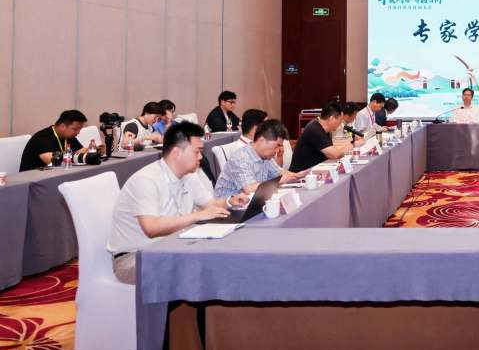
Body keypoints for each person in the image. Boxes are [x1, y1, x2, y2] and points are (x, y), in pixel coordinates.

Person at [106, 122, 247, 284]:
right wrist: (197, 216)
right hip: (134, 258)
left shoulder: (189, 175)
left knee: (219, 254)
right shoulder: (146, 180)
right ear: (177, 152)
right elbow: (151, 228)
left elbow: (210, 205)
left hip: (172, 245)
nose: (201, 157)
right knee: (200, 265)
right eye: (197, 152)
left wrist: (230, 201)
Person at [213, 119, 305, 199]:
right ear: (262, 140)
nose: (277, 150)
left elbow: (280, 173)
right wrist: (280, 180)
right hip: (228, 209)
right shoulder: (241, 158)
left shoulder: (266, 157)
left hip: (251, 202)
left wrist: (298, 176)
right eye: (277, 145)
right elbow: (249, 189)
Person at [289, 100, 353, 172]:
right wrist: (348, 149)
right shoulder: (315, 129)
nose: (341, 123)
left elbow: (331, 151)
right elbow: (334, 155)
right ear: (332, 119)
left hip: (313, 171)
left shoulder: (324, 128)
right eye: (340, 120)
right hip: (300, 175)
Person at [19, 110, 88, 171]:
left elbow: (81, 152)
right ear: (63, 126)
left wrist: (91, 150)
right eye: (75, 129)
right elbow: (53, 162)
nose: (78, 132)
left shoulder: (68, 136)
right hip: (33, 177)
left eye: (79, 129)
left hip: (54, 174)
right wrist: (79, 157)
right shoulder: (42, 138)